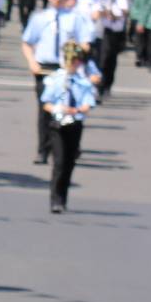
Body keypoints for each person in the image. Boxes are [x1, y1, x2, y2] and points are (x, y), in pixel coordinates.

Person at [21, 0, 94, 166]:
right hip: (45, 67)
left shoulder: (75, 18)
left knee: (70, 106)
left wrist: (76, 50)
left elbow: (85, 43)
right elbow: (27, 42)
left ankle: (69, 146)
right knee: (45, 109)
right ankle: (43, 149)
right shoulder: (40, 18)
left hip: (67, 68)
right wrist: (31, 62)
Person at [41, 40, 98, 214]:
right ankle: (55, 199)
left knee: (69, 163)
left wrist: (76, 110)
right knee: (59, 162)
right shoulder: (56, 79)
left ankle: (63, 197)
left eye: (76, 60)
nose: (73, 63)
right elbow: (46, 103)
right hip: (58, 124)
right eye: (71, 60)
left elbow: (88, 104)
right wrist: (58, 109)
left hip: (75, 123)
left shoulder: (83, 82)